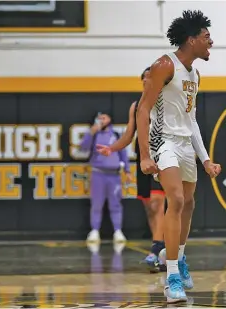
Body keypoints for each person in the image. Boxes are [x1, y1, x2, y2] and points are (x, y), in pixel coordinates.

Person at [98, 10, 221, 303]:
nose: (211, 42)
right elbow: (142, 110)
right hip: (163, 141)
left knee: (188, 202)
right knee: (175, 199)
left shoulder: (195, 74)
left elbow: (191, 122)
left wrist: (205, 159)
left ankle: (176, 253)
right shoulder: (164, 65)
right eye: (206, 37)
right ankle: (172, 275)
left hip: (185, 144)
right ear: (191, 40)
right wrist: (143, 156)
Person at [98, 67, 167, 273]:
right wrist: (112, 148)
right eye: (144, 78)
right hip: (142, 157)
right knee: (148, 205)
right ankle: (160, 249)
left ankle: (156, 248)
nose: (147, 80)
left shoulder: (165, 104)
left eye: (150, 77)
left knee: (157, 201)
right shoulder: (136, 106)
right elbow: (129, 135)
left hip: (162, 156)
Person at [80, 112, 133, 244]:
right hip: (98, 174)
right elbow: (83, 148)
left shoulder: (115, 135)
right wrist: (91, 132)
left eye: (104, 118)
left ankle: (118, 231)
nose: (101, 121)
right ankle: (94, 231)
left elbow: (123, 153)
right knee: (97, 204)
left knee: (115, 204)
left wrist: (127, 170)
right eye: (99, 118)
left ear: (109, 119)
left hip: (114, 175)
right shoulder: (94, 134)